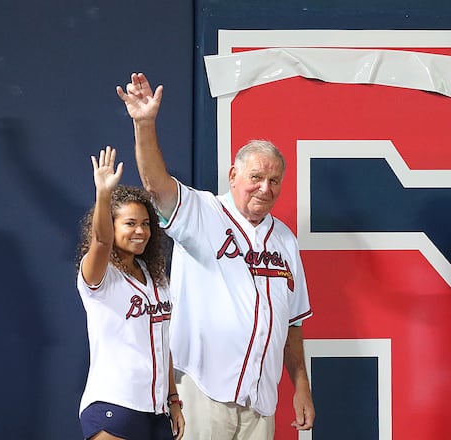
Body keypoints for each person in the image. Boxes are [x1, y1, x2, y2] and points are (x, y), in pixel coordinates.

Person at [116, 72, 315, 440]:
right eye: (256, 177)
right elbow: (155, 185)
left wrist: (301, 385)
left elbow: (293, 325)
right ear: (233, 175)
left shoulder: (285, 240)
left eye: (274, 181)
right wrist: (144, 125)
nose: (265, 188)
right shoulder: (205, 213)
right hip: (202, 390)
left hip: (261, 401)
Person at [77, 146, 185, 440]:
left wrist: (173, 400)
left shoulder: (156, 277)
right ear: (112, 226)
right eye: (130, 223)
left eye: (146, 224)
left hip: (156, 410)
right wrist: (103, 194)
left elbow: (163, 341)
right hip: (115, 404)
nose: (140, 231)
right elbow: (100, 241)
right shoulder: (99, 275)